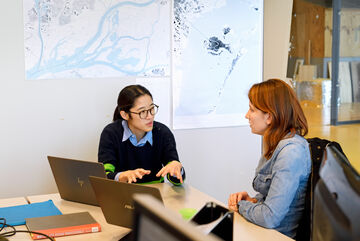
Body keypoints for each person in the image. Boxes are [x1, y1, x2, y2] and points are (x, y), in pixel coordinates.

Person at [228, 79, 311, 238]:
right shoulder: (276, 144)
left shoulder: (291, 152)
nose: (247, 116)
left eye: (252, 110)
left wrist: (241, 205)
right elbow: (274, 198)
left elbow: (269, 217)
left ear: (269, 117)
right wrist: (253, 200)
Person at [98, 85, 185, 185]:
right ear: (125, 115)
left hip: (156, 193)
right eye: (142, 112)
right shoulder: (111, 133)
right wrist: (121, 176)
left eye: (152, 109)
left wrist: (177, 170)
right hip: (122, 194)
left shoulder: (162, 132)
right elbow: (104, 175)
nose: (150, 116)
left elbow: (177, 181)